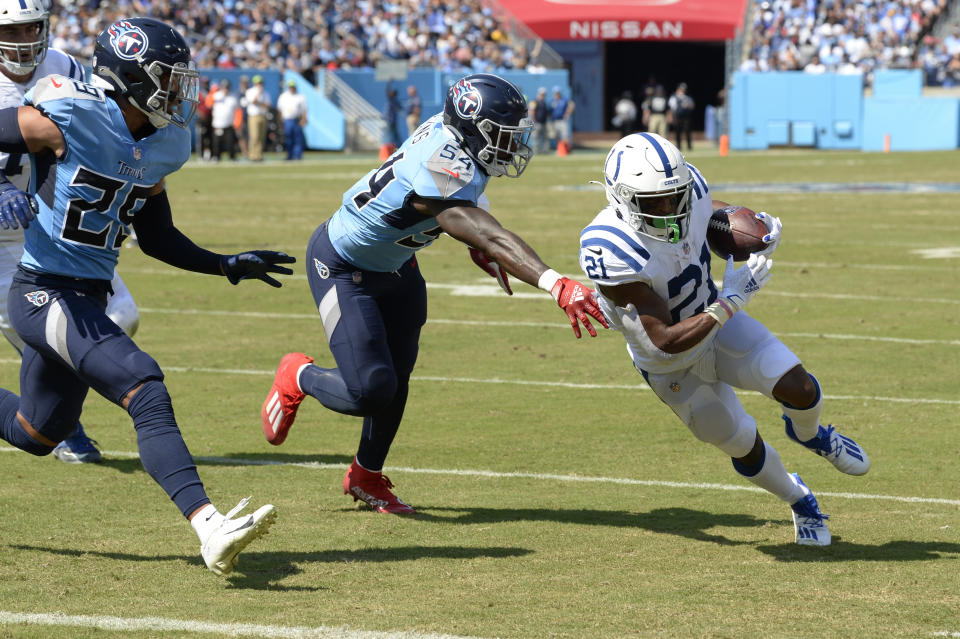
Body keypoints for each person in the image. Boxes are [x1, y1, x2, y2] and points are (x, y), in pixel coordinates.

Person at [0, 17, 296, 574]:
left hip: (88, 292)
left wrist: (225, 265)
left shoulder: (166, 143)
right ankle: (208, 526)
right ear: (128, 77)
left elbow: (157, 238)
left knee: (36, 433)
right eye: (168, 79)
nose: (179, 92)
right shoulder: (70, 113)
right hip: (42, 290)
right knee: (145, 387)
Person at [260, 73, 607, 515]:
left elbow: (465, 207)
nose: (511, 147)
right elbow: (481, 228)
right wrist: (556, 283)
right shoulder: (443, 158)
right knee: (371, 389)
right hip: (344, 266)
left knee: (398, 377)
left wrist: (476, 242)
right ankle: (298, 376)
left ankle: (365, 476)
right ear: (471, 130)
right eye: (502, 136)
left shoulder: (455, 141)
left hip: (399, 265)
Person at [578, 133, 870, 546]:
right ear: (620, 199)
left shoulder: (689, 189)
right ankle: (798, 497)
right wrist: (731, 301)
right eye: (654, 203)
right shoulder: (611, 246)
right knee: (738, 441)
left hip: (716, 320)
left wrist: (747, 225)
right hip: (670, 360)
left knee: (799, 387)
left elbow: (705, 214)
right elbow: (663, 340)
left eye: (675, 197)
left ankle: (811, 434)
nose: (670, 211)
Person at [0, 0, 141, 464]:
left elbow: (100, 131)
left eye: (31, 29)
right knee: (36, 334)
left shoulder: (63, 66)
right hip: (2, 237)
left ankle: (57, 419)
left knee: (122, 315)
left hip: (57, 223)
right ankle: (59, 426)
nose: (23, 42)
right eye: (13, 32)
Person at [276, 79, 306, 160]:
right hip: (287, 120)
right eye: (290, 87)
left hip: (296, 119)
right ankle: (290, 155)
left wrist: (304, 119)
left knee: (297, 138)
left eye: (293, 87)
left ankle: (297, 155)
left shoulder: (300, 96)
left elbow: (304, 109)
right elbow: (280, 110)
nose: (292, 88)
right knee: (288, 138)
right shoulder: (283, 96)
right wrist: (279, 121)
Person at [210, 78, 238, 161]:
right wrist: (213, 91)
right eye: (224, 87)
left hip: (229, 124)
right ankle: (216, 156)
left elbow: (237, 110)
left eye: (227, 87)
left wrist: (237, 123)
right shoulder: (216, 95)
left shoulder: (233, 97)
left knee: (230, 142)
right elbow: (208, 103)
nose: (226, 89)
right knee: (216, 142)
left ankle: (232, 157)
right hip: (217, 124)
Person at [244, 74, 270, 161]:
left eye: (261, 83)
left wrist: (260, 102)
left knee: (261, 137)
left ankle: (259, 155)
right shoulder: (250, 91)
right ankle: (253, 155)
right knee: (254, 136)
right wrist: (259, 94)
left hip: (263, 115)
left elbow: (267, 105)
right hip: (253, 116)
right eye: (258, 83)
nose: (260, 84)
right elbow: (253, 102)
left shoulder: (265, 92)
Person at [668, 82, 694, 152]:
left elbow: (692, 106)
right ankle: (678, 146)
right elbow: (671, 107)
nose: (683, 90)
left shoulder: (688, 97)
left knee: (687, 131)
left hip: (686, 117)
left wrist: (688, 106)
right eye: (682, 89)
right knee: (678, 131)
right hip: (678, 116)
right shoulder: (674, 97)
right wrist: (671, 116)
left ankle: (689, 146)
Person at [548, 85, 573, 151]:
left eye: (557, 93)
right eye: (555, 93)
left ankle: (568, 149)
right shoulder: (552, 101)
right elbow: (549, 111)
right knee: (557, 137)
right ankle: (560, 150)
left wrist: (567, 114)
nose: (556, 94)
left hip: (562, 120)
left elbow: (571, 105)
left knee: (565, 136)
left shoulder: (564, 100)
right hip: (554, 121)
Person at [528, 86, 549, 154]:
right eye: (541, 94)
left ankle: (545, 151)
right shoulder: (534, 101)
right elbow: (531, 111)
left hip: (543, 123)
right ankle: (535, 151)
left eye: (544, 94)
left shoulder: (544, 102)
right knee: (536, 138)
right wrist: (534, 120)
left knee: (545, 138)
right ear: (538, 94)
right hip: (537, 123)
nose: (542, 96)